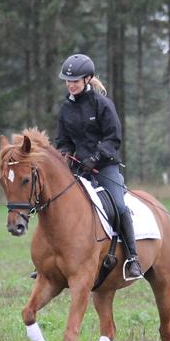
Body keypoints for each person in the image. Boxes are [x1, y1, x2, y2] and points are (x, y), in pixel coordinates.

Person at [54, 53, 143, 281]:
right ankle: (51, 259)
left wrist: (94, 158)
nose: (71, 84)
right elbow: (63, 141)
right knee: (55, 205)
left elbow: (113, 138)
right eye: (68, 81)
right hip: (76, 168)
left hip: (104, 167)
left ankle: (133, 258)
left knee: (120, 207)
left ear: (88, 79)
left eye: (75, 80)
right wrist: (64, 155)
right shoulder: (65, 109)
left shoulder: (102, 104)